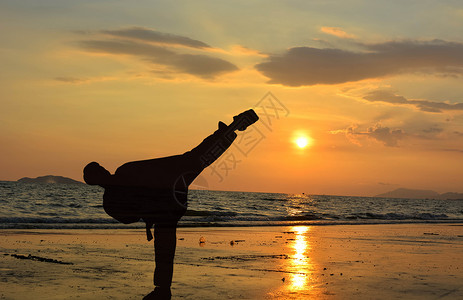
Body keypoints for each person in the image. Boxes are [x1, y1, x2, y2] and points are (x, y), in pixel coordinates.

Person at [83, 109, 259, 300]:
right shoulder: (113, 195)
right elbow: (129, 215)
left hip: (171, 193)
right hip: (169, 204)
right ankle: (162, 288)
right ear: (96, 179)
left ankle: (232, 129)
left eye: (100, 169)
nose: (103, 172)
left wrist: (175, 172)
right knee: (195, 159)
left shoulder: (121, 178)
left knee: (196, 158)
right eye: (99, 172)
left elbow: (157, 168)